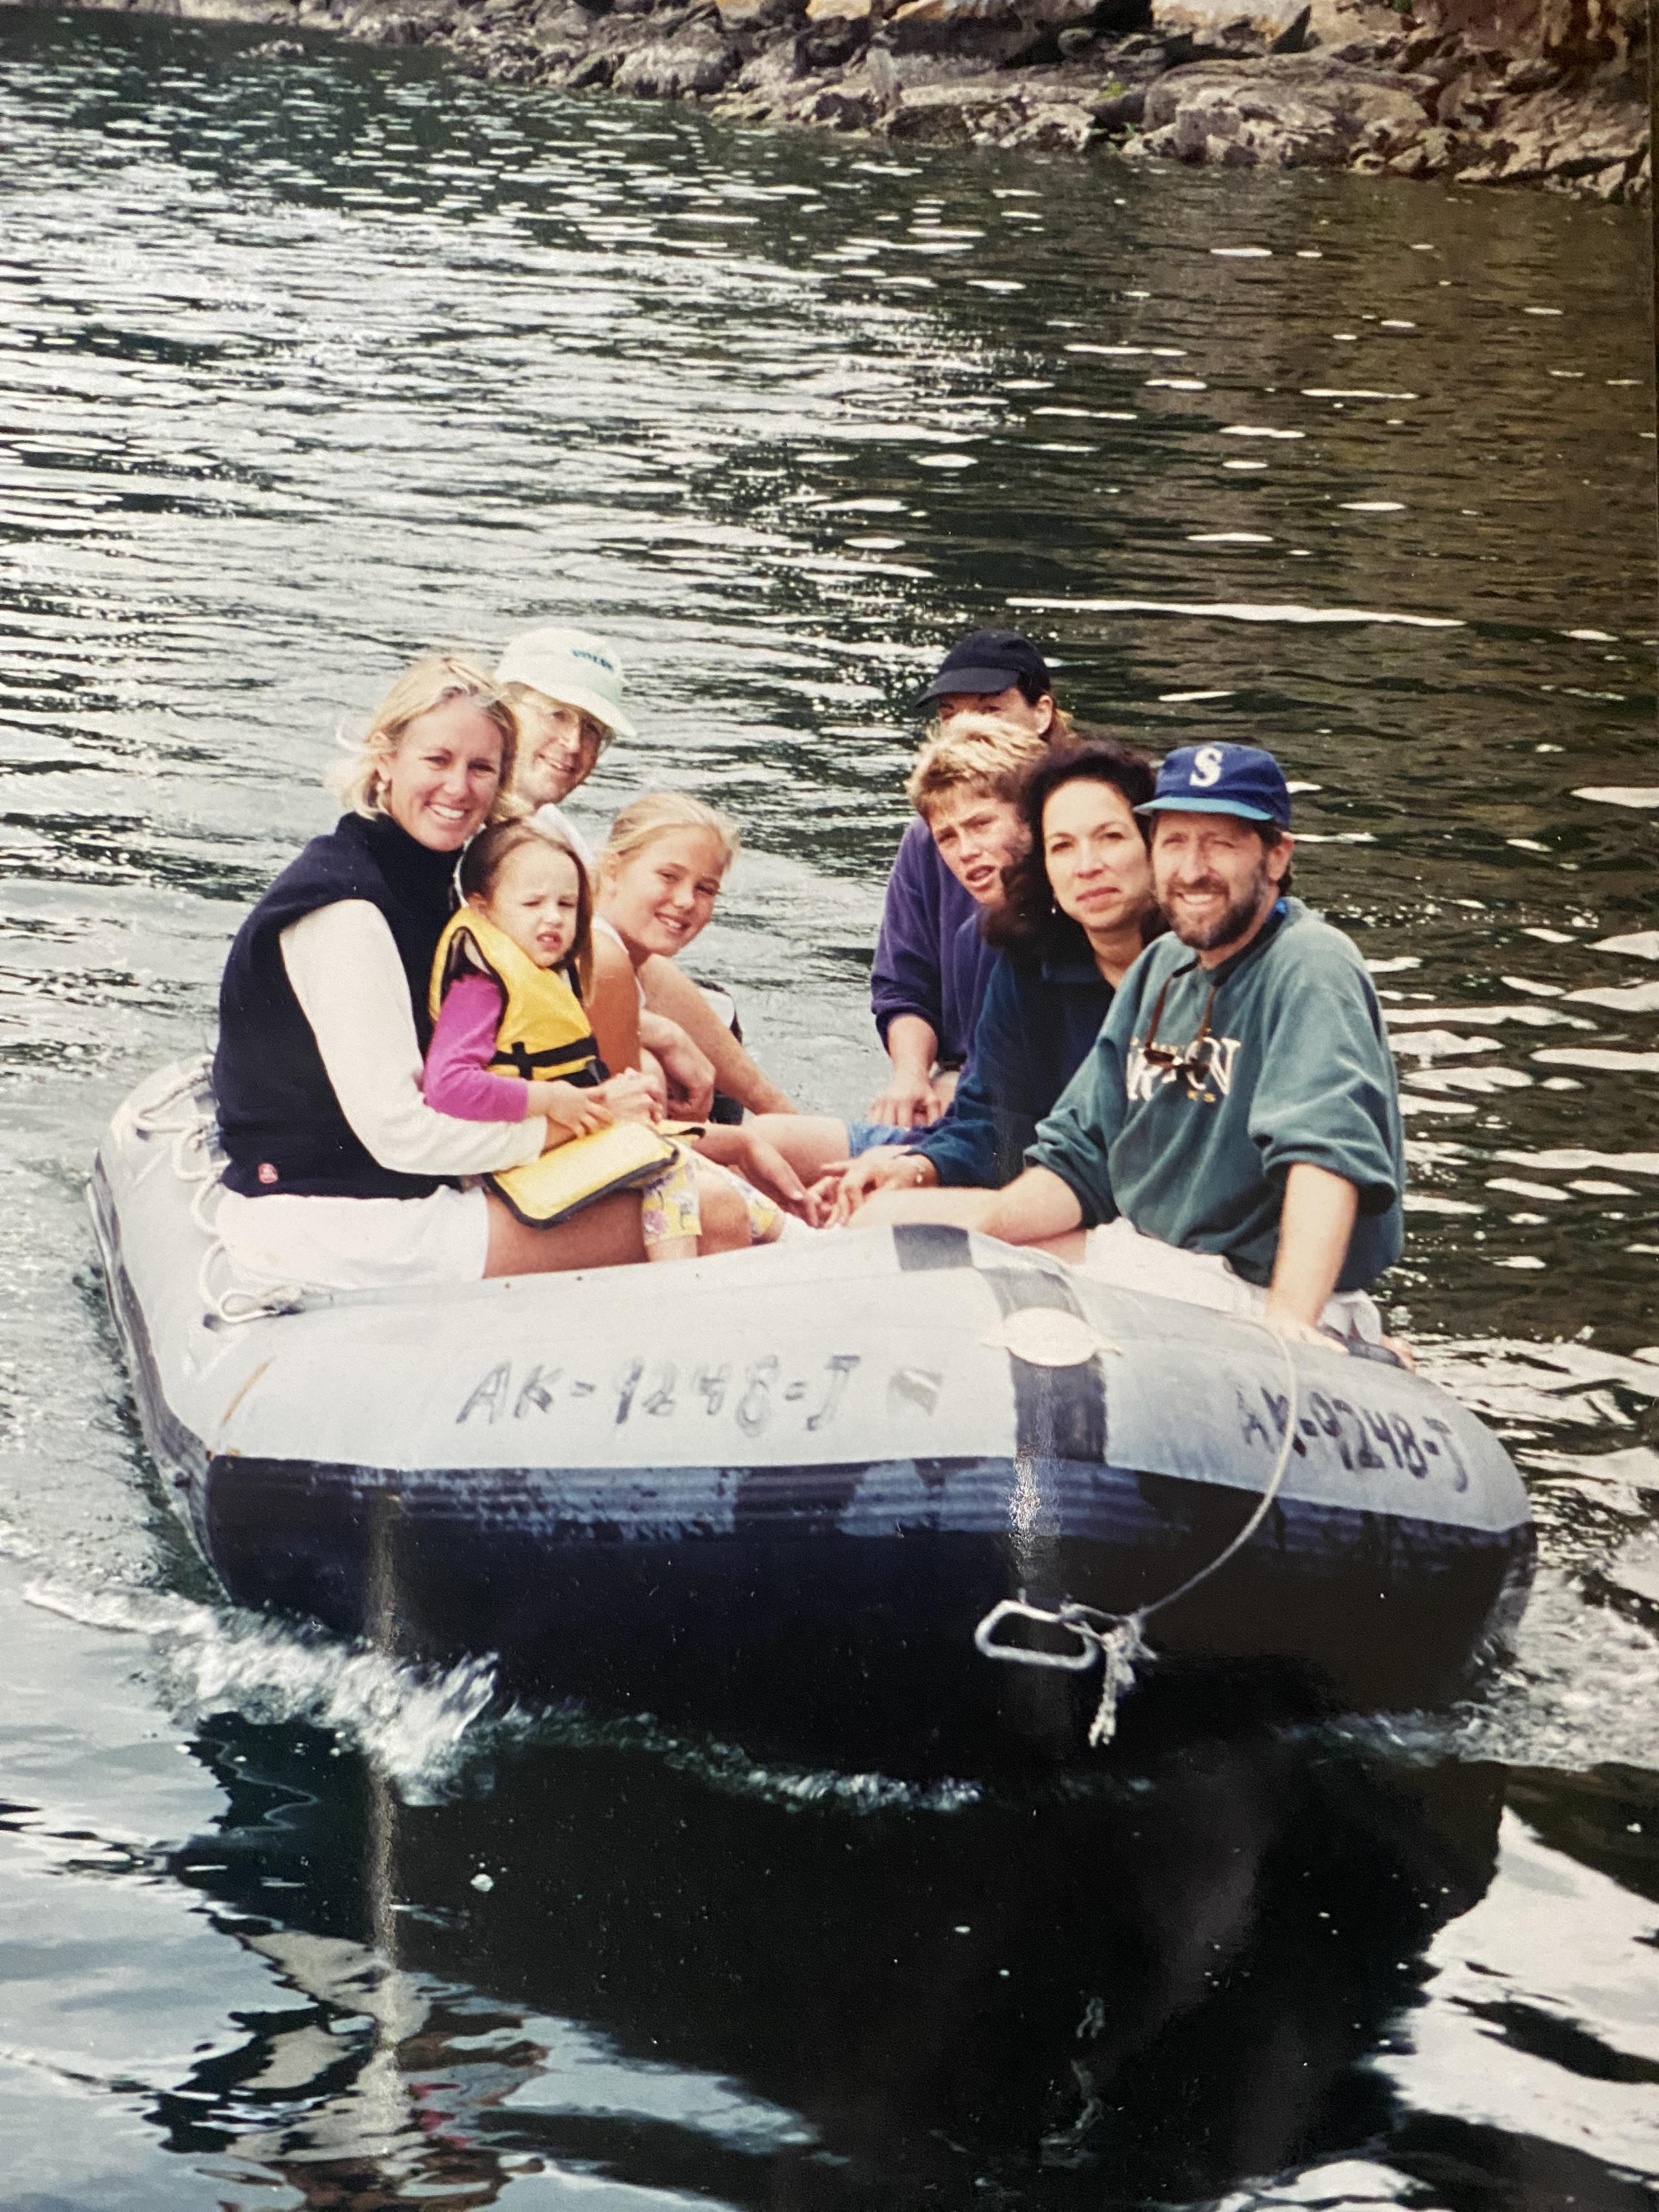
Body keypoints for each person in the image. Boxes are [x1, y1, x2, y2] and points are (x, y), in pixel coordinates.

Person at [212, 654, 753, 1289]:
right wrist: (565, 1123)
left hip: (392, 1188)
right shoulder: (347, 912)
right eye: (437, 761)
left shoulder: (435, 882)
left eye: (481, 768)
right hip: (335, 1220)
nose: (459, 788)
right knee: (712, 1213)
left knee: (695, 1180)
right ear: (385, 759)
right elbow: (401, 1135)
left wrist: (644, 1048)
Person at [973, 742, 1407, 1350]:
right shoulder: (1163, 967)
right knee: (974, 1272)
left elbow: (1324, 1159)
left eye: (1220, 843)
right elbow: (1082, 1156)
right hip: (1156, 1261)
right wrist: (979, 1238)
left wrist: (1289, 1326)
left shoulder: (1311, 965)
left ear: (1277, 855)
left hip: (1255, 1291)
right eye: (1174, 842)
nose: (1192, 868)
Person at [832, 740, 1161, 1226]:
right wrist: (921, 1167)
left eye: (1110, 837)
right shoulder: (1027, 963)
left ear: (1155, 845)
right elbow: (994, 1124)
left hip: (1156, 1220)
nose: (1087, 866)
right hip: (1065, 1193)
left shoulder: (1204, 966)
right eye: (1063, 847)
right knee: (876, 1215)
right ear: (1044, 864)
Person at [424, 819, 778, 1261]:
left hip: (552, 1144)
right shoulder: (480, 987)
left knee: (695, 1172)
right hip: (506, 1163)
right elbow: (447, 1088)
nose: (552, 917)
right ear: (483, 909)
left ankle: (800, 1240)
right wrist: (549, 1099)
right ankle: (683, 1292)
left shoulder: (548, 974)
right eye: (532, 903)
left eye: (567, 904)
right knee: (669, 1174)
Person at [497, 622, 795, 1121]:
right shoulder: (475, 840)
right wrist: (652, 1033)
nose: (573, 744)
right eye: (557, 715)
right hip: (541, 1100)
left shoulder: (550, 830)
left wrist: (773, 1106)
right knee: (656, 1075)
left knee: (714, 1021)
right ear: (504, 710)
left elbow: (633, 964)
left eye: (592, 729)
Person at [743, 717, 1051, 1189]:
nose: (966, 852)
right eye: (947, 837)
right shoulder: (977, 939)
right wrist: (917, 1145)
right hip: (981, 1138)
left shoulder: (1077, 932)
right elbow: (983, 1109)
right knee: (759, 1144)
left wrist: (917, 1161)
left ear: (1033, 819)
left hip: (1036, 1160)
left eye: (982, 825)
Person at [867, 628, 1073, 1130]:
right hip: (970, 1078)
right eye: (949, 715)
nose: (964, 727)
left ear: (1042, 714)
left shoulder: (1083, 829)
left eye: (988, 708)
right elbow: (904, 984)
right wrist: (911, 1075)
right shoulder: (928, 837)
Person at [592, 792, 818, 1218]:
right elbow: (639, 1143)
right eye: (668, 877)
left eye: (705, 888)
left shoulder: (618, 955)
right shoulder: (602, 959)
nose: (685, 901)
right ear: (613, 868)